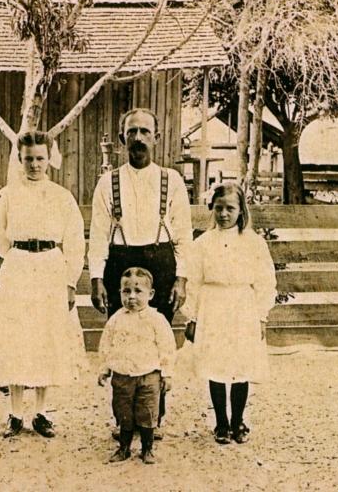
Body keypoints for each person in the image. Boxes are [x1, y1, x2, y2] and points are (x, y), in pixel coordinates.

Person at [88, 107, 192, 433]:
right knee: (123, 339)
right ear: (122, 139)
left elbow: (184, 235)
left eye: (145, 132)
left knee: (154, 340)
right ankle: (124, 420)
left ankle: (152, 418)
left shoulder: (171, 181)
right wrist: (95, 278)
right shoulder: (107, 183)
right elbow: (98, 236)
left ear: (156, 139)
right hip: (119, 262)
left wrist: (181, 278)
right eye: (132, 132)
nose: (138, 139)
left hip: (160, 263)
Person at [0, 130, 87, 439]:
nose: (34, 165)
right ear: (20, 160)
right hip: (18, 267)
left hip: (51, 269)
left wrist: (69, 281)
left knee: (45, 337)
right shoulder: (8, 194)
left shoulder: (61, 196)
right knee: (18, 337)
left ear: (49, 159)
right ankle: (15, 413)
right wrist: (20, 256)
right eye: (28, 159)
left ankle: (41, 412)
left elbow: (73, 241)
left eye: (40, 158)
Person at [180, 183, 276, 444]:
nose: (224, 214)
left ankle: (238, 421)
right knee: (216, 366)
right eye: (219, 208)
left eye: (230, 208)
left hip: (242, 307)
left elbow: (265, 281)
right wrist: (193, 318)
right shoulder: (203, 243)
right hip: (213, 307)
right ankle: (221, 423)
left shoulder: (253, 243)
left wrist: (261, 316)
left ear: (241, 210)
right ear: (212, 209)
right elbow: (194, 282)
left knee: (240, 366)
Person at [98, 267, 176, 464]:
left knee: (147, 412)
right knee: (124, 411)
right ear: (120, 293)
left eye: (138, 291)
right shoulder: (116, 319)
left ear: (150, 294)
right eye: (126, 291)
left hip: (149, 374)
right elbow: (106, 345)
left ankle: (147, 449)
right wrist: (105, 369)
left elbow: (167, 347)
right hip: (122, 375)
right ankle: (123, 448)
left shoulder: (157, 320)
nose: (131, 297)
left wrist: (166, 374)